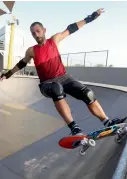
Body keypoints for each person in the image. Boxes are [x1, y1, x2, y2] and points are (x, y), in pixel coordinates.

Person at [0, 8, 126, 135]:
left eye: (38, 31)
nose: (36, 35)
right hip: (47, 84)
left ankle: (107, 122)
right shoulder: (31, 50)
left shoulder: (54, 40)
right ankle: (74, 128)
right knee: (56, 89)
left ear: (44, 30)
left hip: (64, 78)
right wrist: (8, 74)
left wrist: (91, 17)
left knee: (87, 93)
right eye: (33, 33)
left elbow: (71, 28)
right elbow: (22, 63)